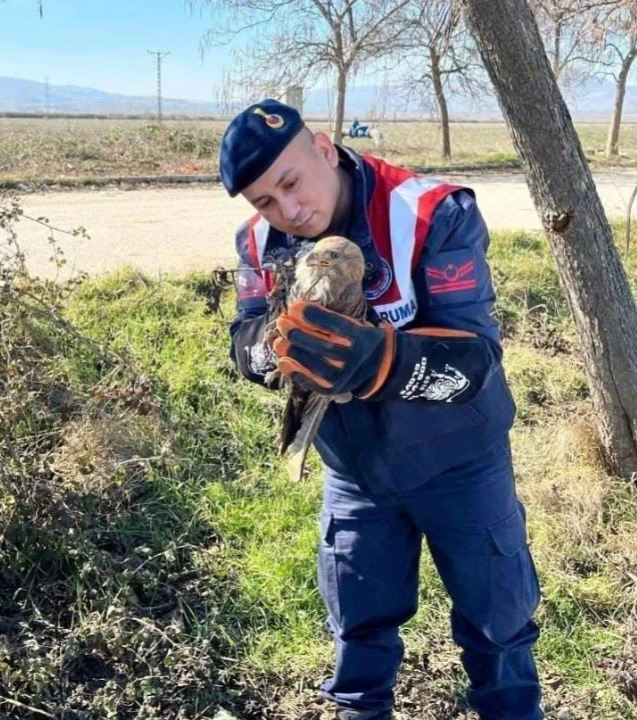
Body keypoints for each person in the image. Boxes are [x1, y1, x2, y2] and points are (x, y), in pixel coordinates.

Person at [218, 98, 543, 720]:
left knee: (498, 624)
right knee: (357, 629)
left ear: (323, 148)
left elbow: (476, 360)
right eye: (265, 201)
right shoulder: (258, 241)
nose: (288, 210)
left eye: (291, 182)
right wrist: (271, 348)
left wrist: (381, 361)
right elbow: (244, 339)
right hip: (356, 471)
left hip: (460, 461)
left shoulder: (430, 211)